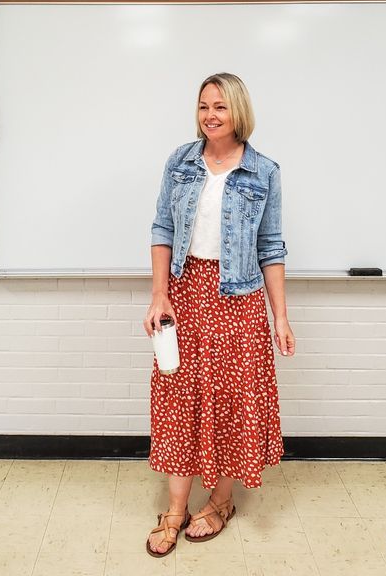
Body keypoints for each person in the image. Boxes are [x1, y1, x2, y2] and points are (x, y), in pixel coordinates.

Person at [143, 72, 296, 557]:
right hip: (186, 295)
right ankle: (174, 510)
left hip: (239, 299)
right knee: (179, 399)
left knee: (231, 400)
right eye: (204, 105)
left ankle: (222, 501)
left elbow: (271, 248)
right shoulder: (181, 162)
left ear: (238, 112)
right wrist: (159, 295)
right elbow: (163, 228)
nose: (210, 115)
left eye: (221, 107)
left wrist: (281, 319)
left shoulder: (263, 171)